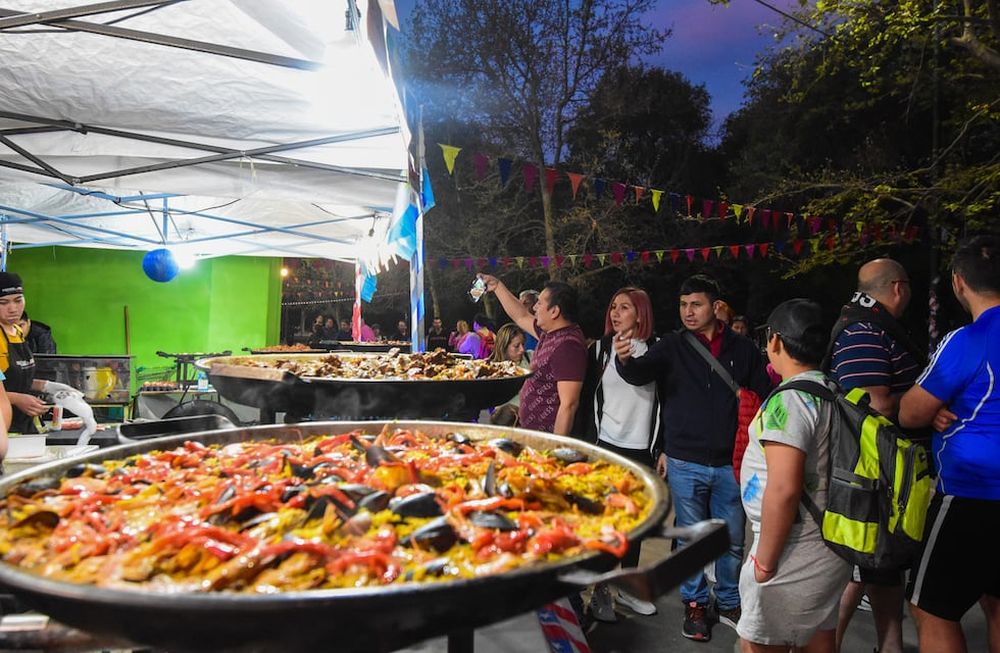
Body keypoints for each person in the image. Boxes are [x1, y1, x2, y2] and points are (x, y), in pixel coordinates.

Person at [614, 274, 773, 642]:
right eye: (683, 305)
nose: (688, 312)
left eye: (696, 304)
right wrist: (625, 361)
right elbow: (640, 375)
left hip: (730, 463)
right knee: (689, 539)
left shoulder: (743, 349)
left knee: (732, 538)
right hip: (685, 460)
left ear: (715, 307)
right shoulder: (672, 346)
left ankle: (729, 600)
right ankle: (695, 604)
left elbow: (763, 396)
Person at [898, 235, 1000, 653]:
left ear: (959, 282)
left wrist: (938, 406)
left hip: (971, 493)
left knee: (931, 607)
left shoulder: (967, 340)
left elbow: (910, 413)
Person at [738, 299, 853, 652]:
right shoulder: (833, 393)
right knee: (819, 637)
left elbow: (785, 489)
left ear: (775, 342)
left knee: (756, 644)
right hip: (830, 543)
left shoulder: (790, 402)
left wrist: (765, 563)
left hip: (794, 546)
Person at [827, 258, 925, 653]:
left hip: (886, 473)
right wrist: (927, 398)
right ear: (898, 288)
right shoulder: (864, 330)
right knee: (866, 562)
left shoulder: (874, 326)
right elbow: (874, 405)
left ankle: (889, 645)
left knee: (879, 566)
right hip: (871, 476)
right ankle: (824, 645)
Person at [582, 287, 661, 622]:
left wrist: (664, 448)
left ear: (640, 314)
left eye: (624, 307)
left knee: (635, 525)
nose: (615, 313)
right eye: (613, 306)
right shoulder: (599, 349)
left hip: (641, 448)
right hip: (606, 444)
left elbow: (668, 402)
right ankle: (599, 593)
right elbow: (586, 398)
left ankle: (627, 588)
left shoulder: (657, 349)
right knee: (604, 523)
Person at [478, 274, 586, 436]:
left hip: (547, 439)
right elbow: (520, 315)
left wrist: (555, 448)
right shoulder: (550, 333)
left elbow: (569, 405)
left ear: (555, 311)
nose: (534, 307)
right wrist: (498, 287)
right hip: (533, 431)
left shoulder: (568, 346)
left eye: (540, 303)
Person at [0, 272, 79, 433]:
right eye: (3, 302)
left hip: (23, 425)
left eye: (18, 300)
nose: (13, 309)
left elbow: (14, 378)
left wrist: (47, 386)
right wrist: (17, 399)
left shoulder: (17, 331)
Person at [488, 323, 531, 426]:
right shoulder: (492, 369)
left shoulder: (531, 357)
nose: (522, 350)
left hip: (531, 418)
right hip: (507, 422)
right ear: (504, 347)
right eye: (516, 346)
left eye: (523, 344)